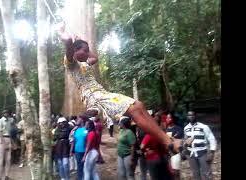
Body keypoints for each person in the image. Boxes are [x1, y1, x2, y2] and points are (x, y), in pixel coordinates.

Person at [58, 25, 181, 155]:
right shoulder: (70, 63)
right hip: (94, 97)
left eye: (88, 50)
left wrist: (82, 42)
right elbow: (68, 43)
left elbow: (95, 58)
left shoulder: (85, 64)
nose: (88, 53)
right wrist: (62, 32)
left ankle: (166, 138)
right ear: (75, 51)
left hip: (102, 93)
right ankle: (168, 143)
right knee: (134, 110)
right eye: (85, 50)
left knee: (139, 105)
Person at [184, 111, 217, 180]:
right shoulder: (186, 128)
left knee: (206, 173)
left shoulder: (203, 126)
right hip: (191, 154)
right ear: (187, 117)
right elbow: (186, 140)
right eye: (189, 115)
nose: (191, 117)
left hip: (202, 152)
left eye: (193, 115)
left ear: (196, 116)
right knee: (195, 173)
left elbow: (212, 139)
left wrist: (211, 153)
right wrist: (185, 148)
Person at [165, 113, 184, 180]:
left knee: (176, 172)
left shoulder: (178, 128)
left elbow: (177, 140)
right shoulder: (165, 129)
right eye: (167, 118)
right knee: (169, 173)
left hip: (175, 153)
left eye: (169, 118)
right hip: (167, 154)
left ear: (173, 119)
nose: (167, 119)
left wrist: (171, 138)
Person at [0, 110, 13, 180]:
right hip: (1, 139)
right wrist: (4, 143)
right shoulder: (0, 121)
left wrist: (12, 142)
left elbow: (10, 132)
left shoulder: (10, 121)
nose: (6, 113)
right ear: (2, 114)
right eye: (4, 113)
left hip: (8, 139)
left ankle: (6, 176)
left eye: (7, 112)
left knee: (8, 159)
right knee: (0, 159)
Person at [70, 115, 89, 180]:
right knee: (79, 166)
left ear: (82, 120)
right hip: (77, 151)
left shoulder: (86, 129)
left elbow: (88, 142)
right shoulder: (76, 130)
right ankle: (79, 178)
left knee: (85, 167)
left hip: (85, 152)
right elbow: (72, 140)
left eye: (79, 119)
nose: (77, 120)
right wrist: (71, 151)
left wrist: (86, 153)